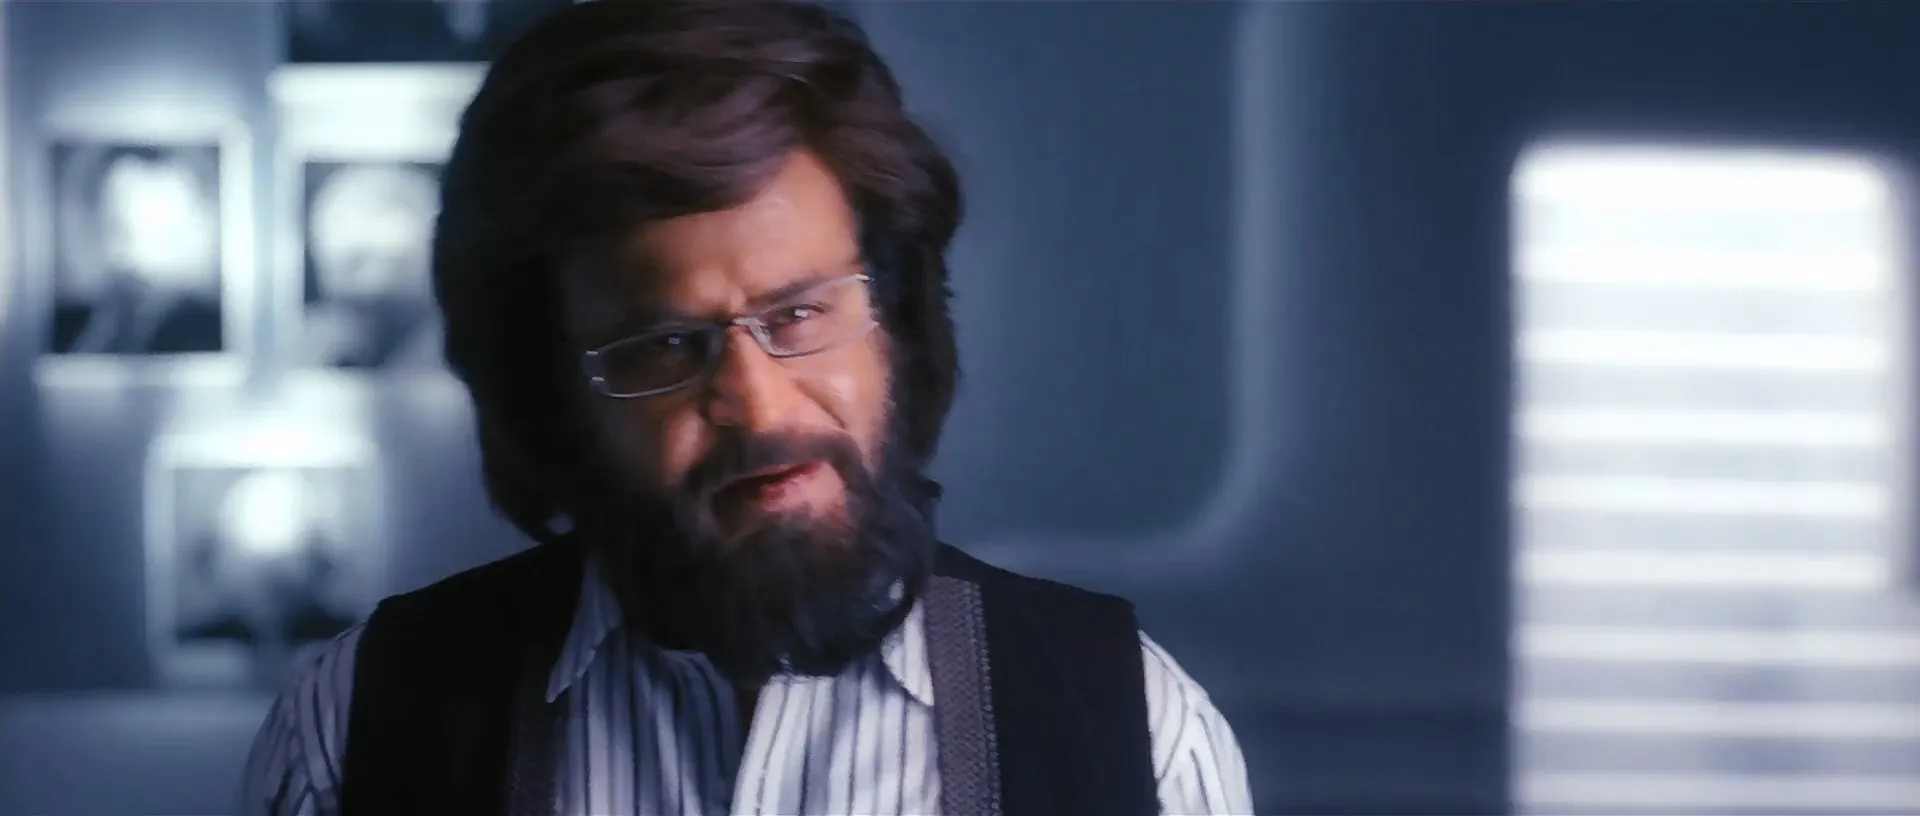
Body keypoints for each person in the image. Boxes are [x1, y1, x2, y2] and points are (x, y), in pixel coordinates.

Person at [238, 2, 1254, 814]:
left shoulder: (1137, 728)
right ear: (549, 397)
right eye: (663, 346)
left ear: (896, 319)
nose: (758, 405)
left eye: (800, 312)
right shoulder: (355, 731)